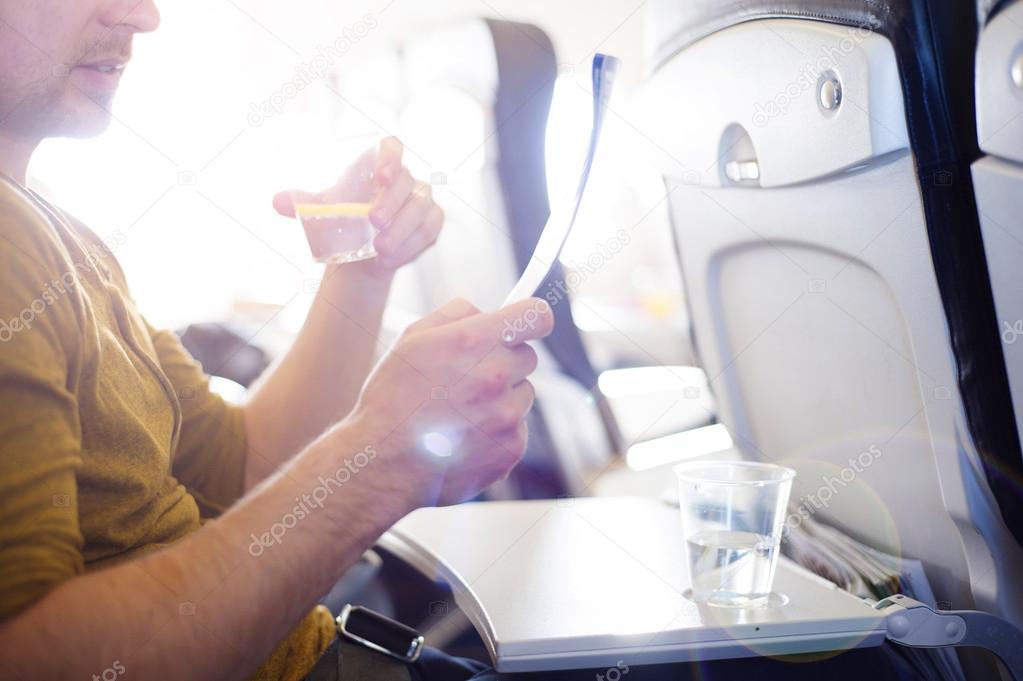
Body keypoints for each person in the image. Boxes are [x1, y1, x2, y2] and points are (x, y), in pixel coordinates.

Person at [0, 2, 934, 680]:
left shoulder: (60, 236)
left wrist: (358, 269)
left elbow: (242, 470)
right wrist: (381, 457)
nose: (144, 14)